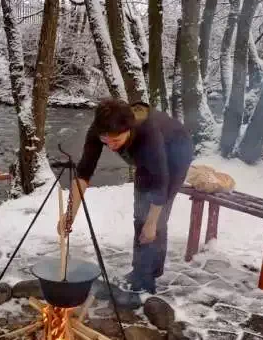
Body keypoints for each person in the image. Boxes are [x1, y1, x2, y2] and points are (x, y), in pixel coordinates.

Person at [59, 98, 193, 294]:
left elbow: (161, 181)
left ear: (129, 130)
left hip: (175, 154)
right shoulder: (99, 129)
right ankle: (144, 270)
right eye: (106, 141)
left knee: (153, 219)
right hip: (146, 158)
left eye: (116, 140)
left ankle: (145, 279)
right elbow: (84, 172)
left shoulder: (148, 134)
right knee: (140, 211)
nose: (111, 146)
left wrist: (152, 222)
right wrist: (69, 214)